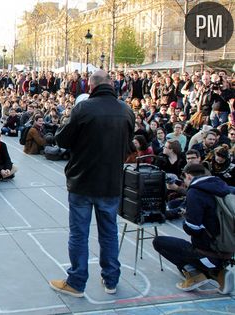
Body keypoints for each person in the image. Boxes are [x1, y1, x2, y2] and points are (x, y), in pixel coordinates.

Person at [50, 70, 135, 297]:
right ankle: (111, 280)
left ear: (91, 85)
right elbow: (129, 145)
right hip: (111, 181)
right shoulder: (126, 110)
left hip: (83, 181)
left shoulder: (84, 108)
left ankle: (76, 282)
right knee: (109, 232)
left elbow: (62, 139)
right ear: (112, 84)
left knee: (79, 233)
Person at [153, 163, 234, 294]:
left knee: (160, 242)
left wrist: (187, 219)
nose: (184, 183)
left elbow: (193, 228)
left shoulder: (195, 192)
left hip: (207, 253)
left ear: (188, 176)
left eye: (184, 179)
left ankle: (195, 273)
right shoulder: (222, 186)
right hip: (228, 251)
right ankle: (219, 274)